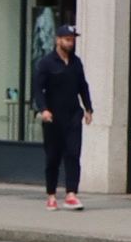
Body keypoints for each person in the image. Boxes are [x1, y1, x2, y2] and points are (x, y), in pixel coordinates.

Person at [29, 22, 93, 211]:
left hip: (73, 115)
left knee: (73, 154)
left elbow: (83, 86)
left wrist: (88, 108)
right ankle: (51, 194)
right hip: (53, 117)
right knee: (53, 157)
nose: (70, 43)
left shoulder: (76, 62)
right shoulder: (47, 63)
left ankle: (71, 194)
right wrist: (44, 109)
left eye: (72, 40)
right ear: (58, 40)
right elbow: (37, 88)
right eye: (67, 39)